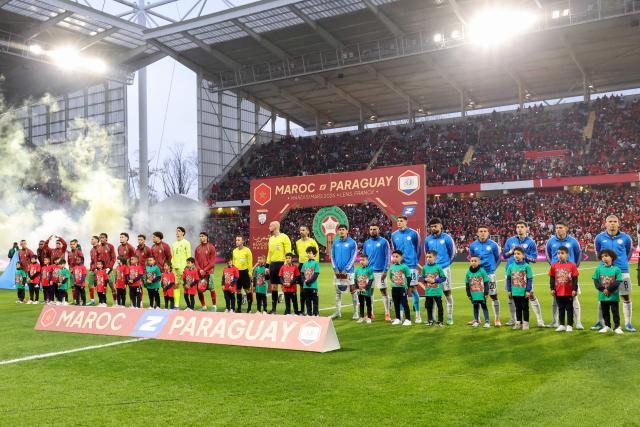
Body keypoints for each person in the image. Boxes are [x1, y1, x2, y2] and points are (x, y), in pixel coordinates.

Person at [593, 215, 635, 332]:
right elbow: (598, 251)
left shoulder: (626, 238)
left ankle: (628, 323)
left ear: (618, 223)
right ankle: (600, 322)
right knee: (603, 296)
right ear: (605, 223)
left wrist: (621, 263)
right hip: (605, 271)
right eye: (610, 221)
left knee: (625, 296)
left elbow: (628, 252)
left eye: (615, 221)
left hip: (622, 270)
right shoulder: (599, 238)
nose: (612, 223)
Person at [502, 220, 545, 327]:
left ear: (526, 228)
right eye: (517, 227)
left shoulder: (530, 242)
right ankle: (513, 320)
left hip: (524, 274)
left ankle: (540, 320)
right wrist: (511, 252)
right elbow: (504, 255)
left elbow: (534, 259)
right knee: (511, 296)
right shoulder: (510, 241)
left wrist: (524, 256)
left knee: (531, 295)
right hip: (511, 272)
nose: (519, 229)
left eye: (522, 226)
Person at [546, 220, 583, 329]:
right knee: (555, 299)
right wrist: (554, 266)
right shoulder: (550, 242)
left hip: (570, 275)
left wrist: (573, 268)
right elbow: (548, 255)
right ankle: (555, 322)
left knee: (574, 297)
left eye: (561, 227)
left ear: (566, 228)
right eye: (557, 227)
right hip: (557, 274)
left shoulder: (573, 241)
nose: (558, 229)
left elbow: (578, 254)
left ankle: (578, 322)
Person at [424, 218, 456, 325]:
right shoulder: (428, 239)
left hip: (444, 269)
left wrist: (445, 265)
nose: (433, 228)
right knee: (432, 294)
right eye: (431, 227)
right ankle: (432, 318)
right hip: (431, 270)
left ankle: (450, 316)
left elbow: (452, 253)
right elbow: (427, 252)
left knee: (447, 292)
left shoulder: (447, 238)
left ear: (440, 226)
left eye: (435, 226)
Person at [468, 225, 502, 326]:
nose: (483, 233)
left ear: (488, 233)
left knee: (493, 295)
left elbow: (498, 258)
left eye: (485, 231)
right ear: (477, 233)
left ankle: (497, 319)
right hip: (477, 275)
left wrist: (492, 269)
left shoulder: (493, 245)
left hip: (489, 274)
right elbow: (472, 258)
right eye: (481, 231)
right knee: (476, 297)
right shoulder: (473, 245)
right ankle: (477, 319)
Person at [391, 216, 422, 322]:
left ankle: (418, 315)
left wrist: (415, 261)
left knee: (413, 289)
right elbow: (394, 250)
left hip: (411, 266)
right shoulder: (394, 235)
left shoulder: (413, 233)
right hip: (399, 267)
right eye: (398, 221)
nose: (399, 223)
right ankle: (400, 315)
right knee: (400, 290)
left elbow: (419, 249)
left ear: (406, 222)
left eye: (401, 221)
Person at [362, 222, 391, 320]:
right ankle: (370, 313)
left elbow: (388, 256)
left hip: (380, 272)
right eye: (371, 229)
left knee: (383, 291)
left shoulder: (384, 242)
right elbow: (364, 257)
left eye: (374, 229)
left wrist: (386, 270)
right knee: (369, 292)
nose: (372, 231)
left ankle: (387, 313)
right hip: (369, 272)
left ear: (379, 230)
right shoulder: (367, 243)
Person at [593, 249, 624, 334]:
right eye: (602, 256)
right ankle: (607, 326)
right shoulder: (598, 269)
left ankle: (617, 326)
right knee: (605, 312)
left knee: (615, 312)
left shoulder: (616, 269)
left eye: (606, 256)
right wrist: (603, 290)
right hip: (603, 295)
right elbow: (596, 281)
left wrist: (609, 290)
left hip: (613, 295)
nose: (604, 258)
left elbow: (618, 282)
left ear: (612, 257)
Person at [330, 224, 358, 319]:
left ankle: (356, 312)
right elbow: (332, 256)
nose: (341, 231)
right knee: (338, 292)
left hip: (348, 272)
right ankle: (338, 312)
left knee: (352, 290)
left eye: (343, 229)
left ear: (347, 231)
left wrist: (346, 269)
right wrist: (335, 269)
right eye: (340, 230)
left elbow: (353, 257)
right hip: (338, 272)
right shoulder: (335, 243)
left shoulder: (352, 243)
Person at [548, 246, 579, 332]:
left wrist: (574, 289)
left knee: (569, 308)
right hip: (558, 291)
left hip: (569, 291)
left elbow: (575, 278)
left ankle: (569, 325)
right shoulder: (554, 265)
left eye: (562, 253)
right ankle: (561, 324)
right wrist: (552, 288)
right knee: (560, 308)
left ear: (567, 254)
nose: (560, 255)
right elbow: (552, 278)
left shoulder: (572, 265)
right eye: (558, 253)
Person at [266, 221, 291, 314]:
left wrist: (285, 265)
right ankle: (274, 309)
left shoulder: (284, 237)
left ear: (276, 226)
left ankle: (287, 309)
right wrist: (267, 266)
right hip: (273, 265)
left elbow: (288, 253)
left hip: (282, 265)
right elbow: (269, 253)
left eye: (270, 225)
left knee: (285, 287)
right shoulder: (271, 239)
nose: (269, 227)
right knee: (274, 287)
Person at [506, 247, 534, 330]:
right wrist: (509, 290)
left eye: (518, 254)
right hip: (515, 291)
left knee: (525, 308)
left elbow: (529, 279)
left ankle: (526, 324)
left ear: (523, 255)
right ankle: (518, 323)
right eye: (515, 254)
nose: (516, 255)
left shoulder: (527, 266)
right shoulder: (511, 266)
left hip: (524, 291)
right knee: (517, 308)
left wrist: (528, 290)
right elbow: (508, 279)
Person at [295, 225, 320, 315]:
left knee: (311, 285)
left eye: (303, 230)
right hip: (302, 265)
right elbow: (299, 254)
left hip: (311, 265)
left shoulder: (312, 241)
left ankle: (315, 311)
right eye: (300, 230)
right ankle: (302, 310)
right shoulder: (297, 242)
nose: (301, 231)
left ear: (308, 231)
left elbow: (316, 253)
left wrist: (314, 264)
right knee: (302, 288)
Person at [419, 250, 447, 327]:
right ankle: (430, 320)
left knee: (439, 307)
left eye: (430, 257)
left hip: (437, 291)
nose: (428, 258)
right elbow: (422, 277)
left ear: (435, 257)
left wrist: (435, 280)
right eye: (427, 257)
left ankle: (440, 321)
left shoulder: (438, 267)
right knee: (428, 306)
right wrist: (425, 279)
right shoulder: (424, 267)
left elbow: (444, 278)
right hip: (428, 291)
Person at [465, 255, 491, 328]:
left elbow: (486, 282)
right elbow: (467, 284)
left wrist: (486, 292)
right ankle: (476, 321)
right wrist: (468, 294)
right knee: (475, 307)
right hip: (473, 294)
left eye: (475, 261)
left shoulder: (482, 271)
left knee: (484, 307)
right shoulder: (468, 272)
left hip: (481, 293)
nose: (473, 262)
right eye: (472, 261)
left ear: (479, 262)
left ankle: (487, 322)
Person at [195, 231, 217, 312]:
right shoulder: (197, 248)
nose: (201, 237)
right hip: (200, 273)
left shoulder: (211, 247)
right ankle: (203, 306)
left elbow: (213, 262)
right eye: (200, 236)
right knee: (199, 289)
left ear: (207, 237)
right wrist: (199, 269)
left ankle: (214, 306)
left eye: (203, 236)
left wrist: (205, 270)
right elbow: (196, 261)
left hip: (209, 272)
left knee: (211, 288)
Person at [389, 250, 412, 326]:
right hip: (394, 288)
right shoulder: (392, 267)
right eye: (393, 257)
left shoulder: (405, 267)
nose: (395, 258)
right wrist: (395, 283)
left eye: (397, 256)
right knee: (396, 303)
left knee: (405, 303)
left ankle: (408, 319)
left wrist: (407, 287)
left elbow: (408, 278)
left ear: (401, 257)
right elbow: (391, 277)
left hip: (402, 288)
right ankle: (398, 318)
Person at [232, 235, 253, 313]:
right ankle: (239, 308)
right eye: (236, 240)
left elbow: (250, 263)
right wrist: (233, 273)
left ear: (243, 241)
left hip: (245, 272)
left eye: (239, 240)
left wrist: (250, 273)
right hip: (237, 273)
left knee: (247, 290)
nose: (237, 241)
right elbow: (234, 263)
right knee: (238, 291)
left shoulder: (247, 251)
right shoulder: (234, 251)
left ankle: (249, 308)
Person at [171, 227, 190, 310]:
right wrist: (172, 264)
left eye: (179, 231)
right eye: (176, 231)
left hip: (184, 268)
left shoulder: (186, 243)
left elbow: (188, 255)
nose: (177, 233)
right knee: (175, 286)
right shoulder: (173, 244)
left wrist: (188, 266)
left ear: (183, 233)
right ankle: (176, 305)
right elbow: (173, 256)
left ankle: (189, 306)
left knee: (186, 286)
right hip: (175, 268)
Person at [96, 233, 116, 304]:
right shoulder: (98, 247)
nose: (101, 239)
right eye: (100, 237)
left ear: (106, 238)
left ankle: (115, 302)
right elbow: (97, 258)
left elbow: (113, 258)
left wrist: (109, 268)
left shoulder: (110, 246)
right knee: (101, 287)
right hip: (101, 271)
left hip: (108, 270)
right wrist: (97, 268)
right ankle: (103, 302)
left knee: (112, 287)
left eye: (103, 237)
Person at [354, 253, 374, 323]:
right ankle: (361, 317)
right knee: (361, 303)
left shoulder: (370, 269)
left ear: (367, 261)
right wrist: (357, 287)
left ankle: (369, 317)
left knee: (368, 304)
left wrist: (366, 288)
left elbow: (371, 279)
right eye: (361, 260)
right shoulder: (357, 270)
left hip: (366, 290)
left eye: (363, 260)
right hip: (359, 290)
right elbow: (355, 279)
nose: (362, 261)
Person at [301, 247, 320, 317]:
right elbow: (302, 274)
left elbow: (316, 274)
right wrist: (304, 281)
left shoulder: (316, 263)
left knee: (315, 300)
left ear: (314, 254)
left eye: (311, 253)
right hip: (305, 286)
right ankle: (309, 313)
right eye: (308, 253)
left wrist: (309, 281)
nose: (309, 254)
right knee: (307, 301)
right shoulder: (304, 263)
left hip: (313, 285)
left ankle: (316, 313)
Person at [87, 235, 100, 306]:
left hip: (99, 270)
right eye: (91, 239)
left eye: (92, 239)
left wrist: (98, 268)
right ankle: (92, 300)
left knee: (99, 285)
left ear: (97, 240)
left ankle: (102, 301)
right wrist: (90, 269)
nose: (91, 240)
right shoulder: (91, 250)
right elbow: (92, 261)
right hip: (92, 270)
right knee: (90, 285)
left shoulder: (100, 248)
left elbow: (101, 260)